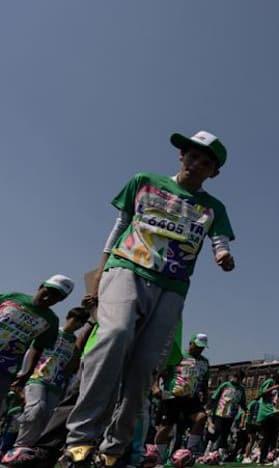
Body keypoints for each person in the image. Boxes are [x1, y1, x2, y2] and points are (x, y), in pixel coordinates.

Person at [62, 130, 235, 467]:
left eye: (207, 162)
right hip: (127, 267)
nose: (198, 164)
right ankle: (80, 440)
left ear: (214, 172)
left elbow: (219, 240)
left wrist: (223, 255)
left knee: (144, 367)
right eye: (193, 155)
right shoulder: (145, 181)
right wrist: (98, 278)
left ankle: (115, 447)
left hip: (172, 286)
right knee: (115, 334)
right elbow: (120, 224)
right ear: (181, 156)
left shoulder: (214, 207)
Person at [14, 307, 89, 448]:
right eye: (76, 320)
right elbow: (32, 351)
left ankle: (33, 449)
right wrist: (22, 375)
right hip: (37, 377)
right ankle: (21, 446)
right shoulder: (51, 332)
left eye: (81, 323)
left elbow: (72, 368)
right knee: (36, 410)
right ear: (68, 317)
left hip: (57, 384)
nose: (78, 324)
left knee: (48, 418)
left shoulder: (75, 343)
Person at [0, 275, 74, 397]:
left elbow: (38, 347)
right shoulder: (11, 297)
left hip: (6, 368)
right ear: (41, 286)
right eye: (48, 291)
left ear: (61, 300)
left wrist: (28, 373)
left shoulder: (51, 321)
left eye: (55, 296)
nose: (48, 297)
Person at [153, 333, 211, 461]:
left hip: (191, 397)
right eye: (197, 346)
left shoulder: (204, 362)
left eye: (202, 347)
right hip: (173, 396)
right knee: (166, 427)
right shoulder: (177, 356)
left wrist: (206, 397)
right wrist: (156, 387)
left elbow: (204, 382)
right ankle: (157, 456)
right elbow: (159, 372)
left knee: (201, 417)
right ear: (190, 343)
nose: (199, 349)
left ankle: (190, 451)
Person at [207, 369, 247, 460]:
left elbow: (242, 402)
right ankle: (209, 449)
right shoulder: (225, 385)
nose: (235, 379)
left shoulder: (241, 390)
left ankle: (220, 453)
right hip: (220, 412)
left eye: (238, 378)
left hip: (231, 414)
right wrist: (210, 407)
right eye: (235, 376)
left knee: (225, 433)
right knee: (217, 430)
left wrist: (246, 410)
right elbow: (215, 397)